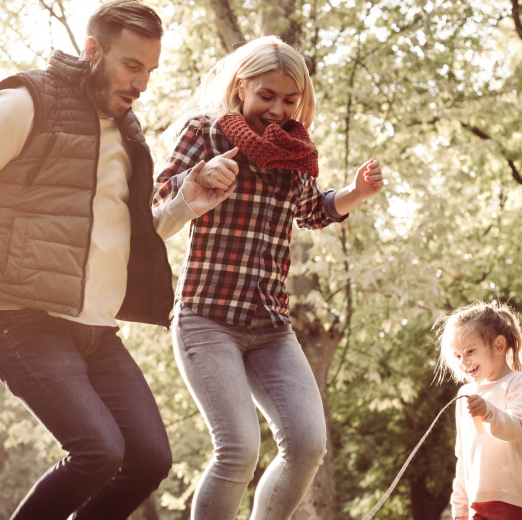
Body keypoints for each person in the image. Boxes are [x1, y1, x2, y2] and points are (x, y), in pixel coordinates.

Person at [0, 1, 229, 518]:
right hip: (24, 319)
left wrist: (184, 206)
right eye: (132, 65)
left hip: (96, 331)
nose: (142, 84)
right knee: (99, 452)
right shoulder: (28, 100)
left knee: (150, 459)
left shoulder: (128, 135)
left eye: (150, 71)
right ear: (92, 50)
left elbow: (122, 234)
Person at [152, 36, 387, 520]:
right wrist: (200, 175)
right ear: (241, 89)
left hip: (270, 325)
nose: (278, 110)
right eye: (266, 96)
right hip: (207, 318)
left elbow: (312, 210)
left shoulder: (294, 152)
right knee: (238, 451)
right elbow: (161, 193)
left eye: (289, 99)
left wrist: (355, 193)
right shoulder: (208, 131)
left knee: (306, 445)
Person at [435, 301, 522, 520]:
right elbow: (464, 457)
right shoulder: (465, 393)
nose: (463, 362)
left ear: (498, 345)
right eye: (457, 356)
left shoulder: (519, 382)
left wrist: (488, 412)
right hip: (477, 504)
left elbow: (516, 429)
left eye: (470, 351)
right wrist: (460, 511)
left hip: (514, 503)